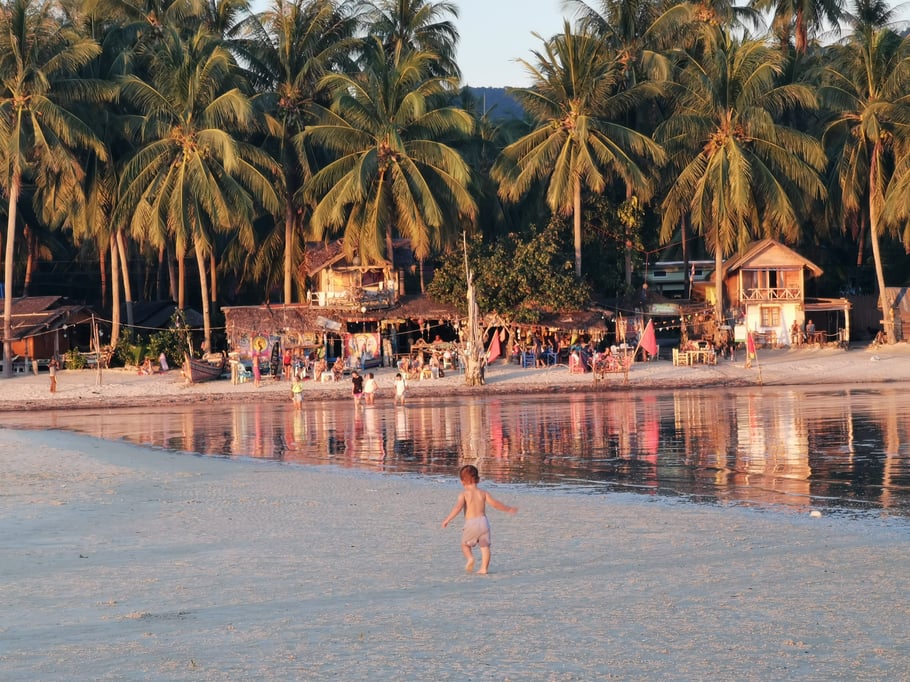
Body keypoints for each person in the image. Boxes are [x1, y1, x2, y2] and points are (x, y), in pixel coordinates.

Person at [441, 464, 517, 574]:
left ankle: (470, 558)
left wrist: (447, 520)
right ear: (478, 479)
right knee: (485, 547)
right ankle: (484, 568)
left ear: (462, 481)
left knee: (465, 544)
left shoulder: (464, 494)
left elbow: (458, 507)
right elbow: (495, 504)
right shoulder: (483, 493)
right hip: (484, 522)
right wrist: (508, 509)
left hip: (471, 523)